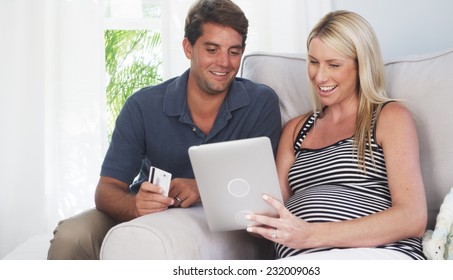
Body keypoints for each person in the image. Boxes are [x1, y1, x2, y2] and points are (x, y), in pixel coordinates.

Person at [47, 0, 282, 260]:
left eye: (234, 52)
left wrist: (203, 187)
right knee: (72, 236)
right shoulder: (143, 105)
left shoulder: (261, 102)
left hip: (224, 224)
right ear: (188, 48)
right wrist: (134, 206)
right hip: (149, 214)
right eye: (212, 49)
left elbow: (265, 188)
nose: (224, 62)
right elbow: (107, 189)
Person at [245, 10, 427, 260]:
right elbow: (272, 212)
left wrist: (312, 234)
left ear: (361, 65)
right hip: (302, 262)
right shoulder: (296, 130)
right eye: (313, 61)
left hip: (374, 256)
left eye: (334, 64)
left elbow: (413, 217)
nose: (319, 76)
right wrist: (252, 217)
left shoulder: (390, 118)